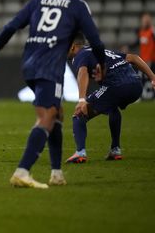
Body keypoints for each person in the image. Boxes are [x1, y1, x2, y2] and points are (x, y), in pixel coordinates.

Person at [0, 0, 105, 189]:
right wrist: (101, 64)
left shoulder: (38, 0)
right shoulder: (77, 5)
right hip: (50, 66)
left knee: (57, 113)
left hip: (29, 63)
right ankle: (22, 170)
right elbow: (94, 39)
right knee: (47, 116)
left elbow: (11, 26)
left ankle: (56, 173)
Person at [66, 33, 155, 163]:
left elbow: (82, 72)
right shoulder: (102, 51)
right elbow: (134, 58)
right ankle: (115, 149)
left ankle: (80, 153)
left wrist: (81, 100)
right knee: (112, 108)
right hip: (136, 85)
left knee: (79, 114)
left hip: (116, 85)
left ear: (73, 46)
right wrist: (153, 77)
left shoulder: (81, 55)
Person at [133, 12, 155, 98]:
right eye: (144, 19)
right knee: (141, 79)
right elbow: (137, 43)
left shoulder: (152, 32)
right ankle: (140, 96)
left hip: (152, 60)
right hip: (143, 60)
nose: (146, 21)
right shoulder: (140, 32)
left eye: (147, 19)